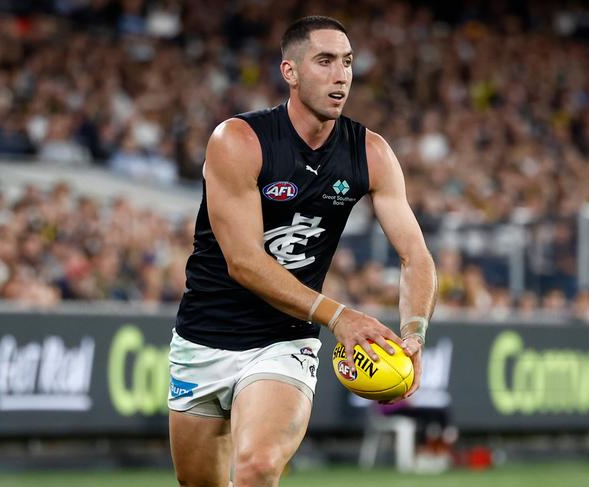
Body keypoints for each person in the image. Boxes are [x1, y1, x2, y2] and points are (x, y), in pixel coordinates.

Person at [168, 15, 438, 487]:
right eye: (325, 61)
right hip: (203, 338)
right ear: (290, 72)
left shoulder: (370, 153)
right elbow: (245, 263)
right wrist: (340, 316)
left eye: (348, 63)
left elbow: (415, 255)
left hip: (284, 341)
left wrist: (414, 332)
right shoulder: (238, 140)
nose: (341, 75)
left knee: (256, 468)